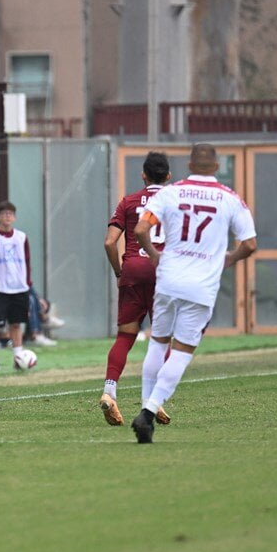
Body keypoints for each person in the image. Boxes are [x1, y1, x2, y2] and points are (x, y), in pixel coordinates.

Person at [130, 143, 257, 443]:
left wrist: (153, 254)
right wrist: (229, 259)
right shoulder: (230, 198)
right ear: (216, 166)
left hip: (169, 278)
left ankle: (146, 413)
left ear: (189, 164)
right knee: (183, 350)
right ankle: (149, 411)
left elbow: (139, 229)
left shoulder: (169, 193)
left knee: (158, 342)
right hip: (201, 285)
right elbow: (250, 244)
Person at [100, 151, 172, 426]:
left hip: (132, 272)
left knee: (125, 336)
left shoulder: (128, 202)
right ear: (168, 176)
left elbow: (109, 242)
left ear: (143, 175)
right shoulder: (174, 201)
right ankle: (153, 401)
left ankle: (109, 391)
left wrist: (120, 271)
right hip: (161, 273)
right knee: (162, 339)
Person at [0, 201, 31, 371]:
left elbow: (27, 261)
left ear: (14, 217)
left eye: (10, 214)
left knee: (16, 323)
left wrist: (27, 283)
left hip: (19, 287)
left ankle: (18, 357)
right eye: (4, 213)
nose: (7, 217)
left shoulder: (21, 237)